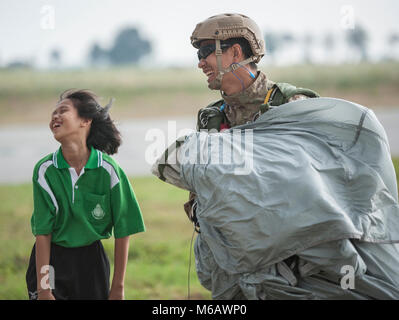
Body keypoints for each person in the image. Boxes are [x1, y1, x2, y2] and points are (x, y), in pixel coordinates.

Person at [152, 13, 399, 299]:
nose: (200, 61)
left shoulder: (293, 107)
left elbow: (325, 182)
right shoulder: (211, 119)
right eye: (198, 53)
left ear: (235, 52)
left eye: (207, 51)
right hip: (237, 259)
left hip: (297, 259)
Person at [26, 89, 145, 300]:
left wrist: (118, 287)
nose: (55, 116)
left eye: (63, 111)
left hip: (92, 264)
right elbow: (43, 232)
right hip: (50, 259)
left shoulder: (109, 171)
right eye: (53, 113)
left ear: (85, 120)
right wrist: (45, 289)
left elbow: (123, 228)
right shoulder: (44, 170)